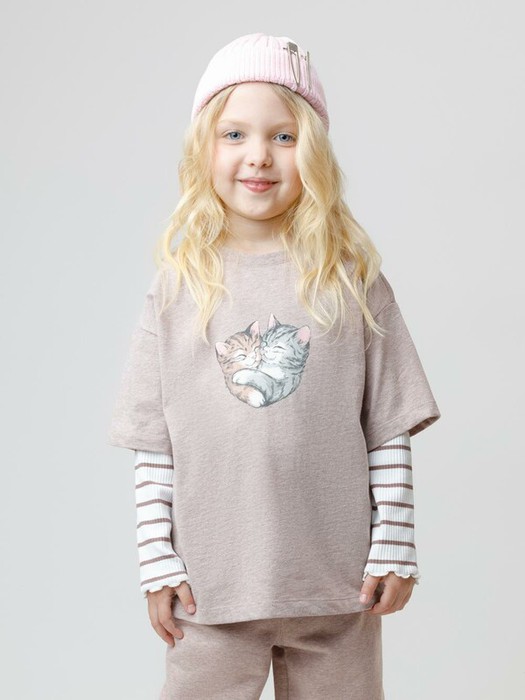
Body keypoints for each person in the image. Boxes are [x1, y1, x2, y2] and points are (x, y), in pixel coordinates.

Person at [107, 32, 441, 700]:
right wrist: (157, 561)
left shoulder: (351, 282)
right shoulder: (175, 290)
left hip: (336, 587)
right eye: (234, 134)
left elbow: (387, 429)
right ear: (203, 148)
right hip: (209, 588)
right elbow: (153, 445)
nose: (258, 155)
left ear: (311, 151)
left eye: (283, 137)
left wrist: (394, 545)